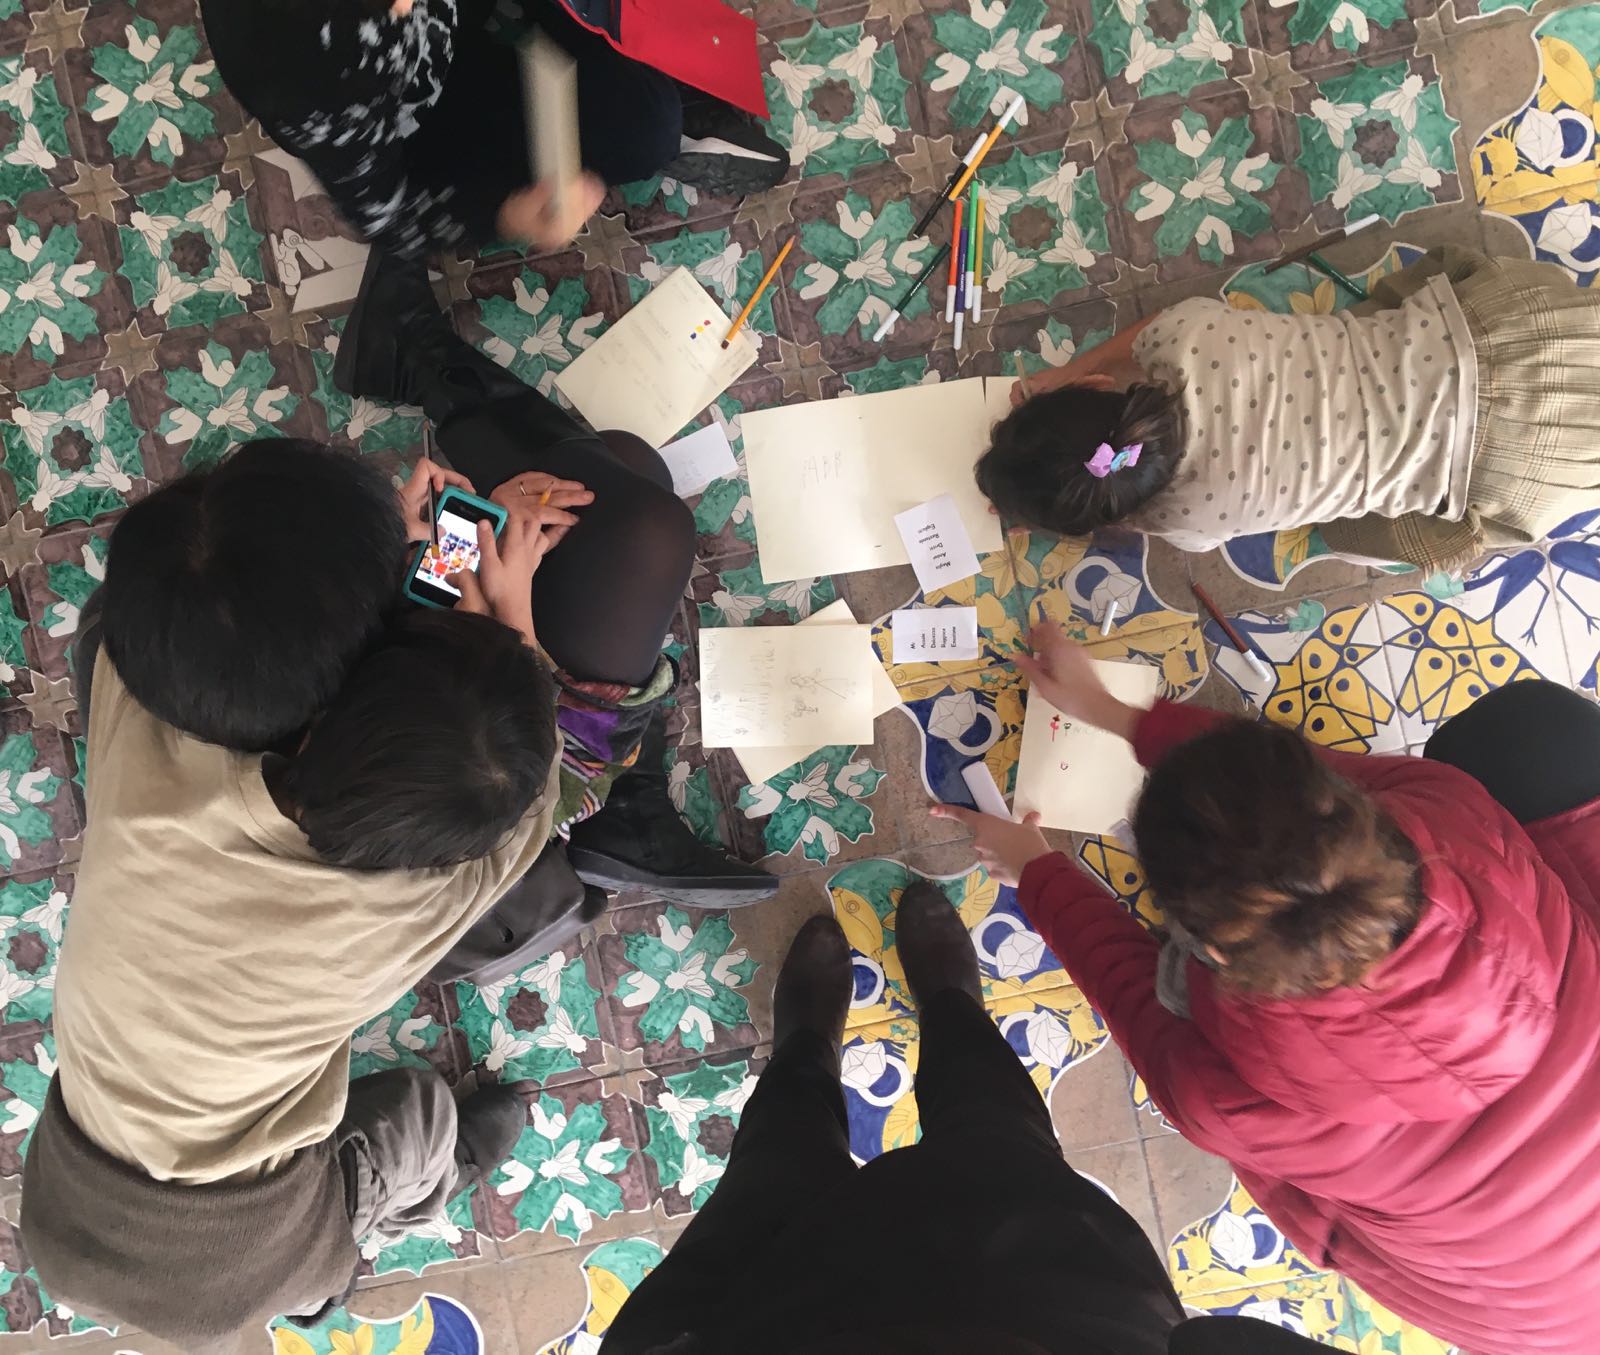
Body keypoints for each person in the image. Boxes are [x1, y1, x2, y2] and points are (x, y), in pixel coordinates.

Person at [935, 625, 1600, 1355]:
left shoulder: (1228, 1100)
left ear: (1214, 947)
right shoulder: (1451, 810)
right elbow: (1307, 788)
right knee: (1536, 734)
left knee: (1184, 1010)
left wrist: (1036, 868)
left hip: (1535, 1309)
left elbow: (1126, 985)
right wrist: (1113, 710)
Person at [21, 538, 564, 1346]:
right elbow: (532, 806)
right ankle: (422, 1196)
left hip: (70, 1205)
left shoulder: (151, 752)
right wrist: (513, 631)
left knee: (396, 1110)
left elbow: (135, 616)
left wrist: (400, 575)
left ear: (313, 727)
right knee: (422, 1117)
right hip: (243, 1246)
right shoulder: (405, 916)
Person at [599, 885, 1330, 1354]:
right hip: (1052, 1309)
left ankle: (807, 1048)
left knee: (777, 1168)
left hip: (753, 1324)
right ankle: (951, 1007)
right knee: (994, 1129)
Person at [332, 246, 776, 904]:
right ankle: (411, 356)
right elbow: (524, 738)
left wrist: (452, 542)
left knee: (624, 475)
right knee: (638, 506)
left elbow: (406, 633)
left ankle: (412, 356)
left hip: (487, 714)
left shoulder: (363, 734)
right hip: (546, 775)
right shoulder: (505, 798)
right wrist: (511, 617)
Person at [977, 246, 1600, 571]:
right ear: (1092, 386)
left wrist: (1053, 509)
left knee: (1348, 532)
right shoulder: (1186, 335)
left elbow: (1120, 489)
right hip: (1522, 329)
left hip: (1531, 462)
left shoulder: (1185, 521)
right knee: (1392, 312)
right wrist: (1065, 371)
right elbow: (1143, 342)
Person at [199, 0, 788, 259]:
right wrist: (505, 217)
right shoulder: (304, 69)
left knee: (643, 98)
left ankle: (662, 88)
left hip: (464, 30)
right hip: (437, 117)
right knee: (644, 128)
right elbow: (388, 215)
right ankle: (670, 127)